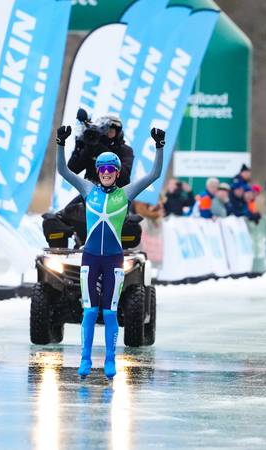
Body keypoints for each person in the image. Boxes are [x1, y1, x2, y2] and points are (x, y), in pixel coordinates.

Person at [55, 124, 165, 380]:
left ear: (116, 173)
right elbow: (62, 170)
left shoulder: (125, 194)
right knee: (90, 312)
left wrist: (159, 147)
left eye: (110, 170)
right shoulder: (87, 190)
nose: (105, 173)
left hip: (114, 260)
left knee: (110, 312)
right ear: (97, 172)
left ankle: (109, 359)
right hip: (91, 259)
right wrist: (60, 143)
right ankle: (84, 359)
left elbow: (155, 174)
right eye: (102, 169)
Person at [67, 112, 134, 187]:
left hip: (114, 194)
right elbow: (72, 170)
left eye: (111, 131)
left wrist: (102, 151)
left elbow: (124, 178)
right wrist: (78, 149)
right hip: (91, 192)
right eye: (104, 131)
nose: (107, 134)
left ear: (118, 134)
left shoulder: (126, 151)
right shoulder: (93, 146)